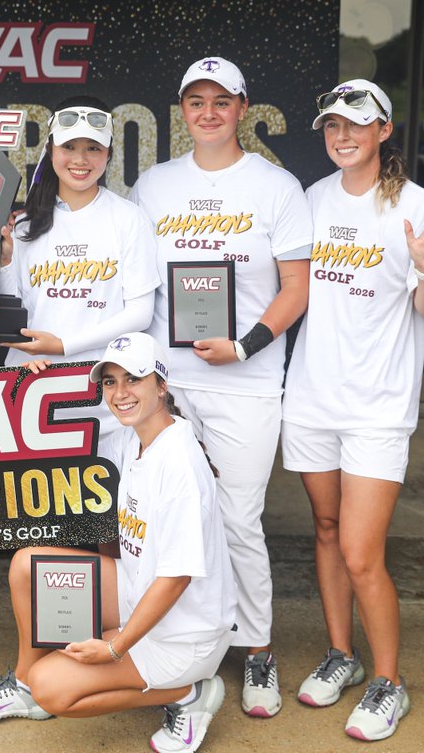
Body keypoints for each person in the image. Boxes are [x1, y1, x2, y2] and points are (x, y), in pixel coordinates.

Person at [129, 57, 312, 717]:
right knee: (157, 518)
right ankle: (160, 640)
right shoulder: (152, 185)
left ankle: (256, 649)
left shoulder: (276, 187)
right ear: (182, 110)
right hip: (169, 383)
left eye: (221, 101)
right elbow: (131, 277)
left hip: (248, 381)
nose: (208, 112)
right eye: (195, 101)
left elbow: (297, 287)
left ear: (243, 108)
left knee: (237, 518)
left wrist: (245, 346)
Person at [0, 333, 236, 753]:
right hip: (138, 588)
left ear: (161, 385)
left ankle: (187, 694)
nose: (120, 393)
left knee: (56, 689)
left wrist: (114, 646)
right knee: (28, 566)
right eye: (110, 382)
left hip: (184, 634)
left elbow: (176, 578)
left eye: (133, 379)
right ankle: (24, 685)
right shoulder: (137, 436)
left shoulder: (178, 463)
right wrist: (30, 382)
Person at [282, 80, 424, 742]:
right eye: (332, 124)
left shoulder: (417, 206)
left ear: (384, 130)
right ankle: (341, 655)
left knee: (360, 553)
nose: (342, 135)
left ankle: (390, 682)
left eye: (356, 124)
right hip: (312, 398)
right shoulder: (310, 200)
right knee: (326, 529)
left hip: (379, 407)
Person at [0, 96, 159, 446]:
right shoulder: (23, 223)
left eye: (93, 148)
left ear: (109, 154)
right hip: (31, 389)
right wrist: (7, 261)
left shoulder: (128, 219)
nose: (80, 159)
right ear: (50, 149)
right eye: (69, 146)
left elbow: (140, 313)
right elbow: (15, 310)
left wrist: (63, 345)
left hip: (104, 398)